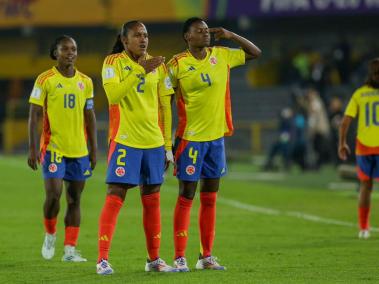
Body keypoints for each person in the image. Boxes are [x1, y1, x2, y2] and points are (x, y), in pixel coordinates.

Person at [167, 17, 261, 271]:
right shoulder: (176, 64)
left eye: (207, 31)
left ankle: (205, 256)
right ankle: (179, 257)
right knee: (186, 196)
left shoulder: (222, 55)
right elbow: (163, 99)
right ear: (187, 36)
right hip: (190, 140)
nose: (205, 34)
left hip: (216, 140)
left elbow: (255, 52)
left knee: (210, 198)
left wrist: (231, 35)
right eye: (199, 31)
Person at [96, 21, 177, 275]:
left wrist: (166, 146)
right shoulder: (112, 63)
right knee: (115, 195)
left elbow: (165, 107)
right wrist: (140, 71)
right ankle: (102, 260)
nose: (143, 39)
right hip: (125, 140)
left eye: (146, 35)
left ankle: (154, 260)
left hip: (153, 143)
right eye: (137, 35)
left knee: (152, 200)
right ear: (124, 39)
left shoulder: (159, 65)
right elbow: (114, 96)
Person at [27, 35, 97, 262]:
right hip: (53, 147)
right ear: (55, 53)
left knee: (75, 199)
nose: (70, 52)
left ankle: (70, 249)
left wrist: (94, 150)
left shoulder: (85, 81)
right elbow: (34, 115)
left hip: (79, 150)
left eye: (74, 49)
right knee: (54, 195)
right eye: (65, 49)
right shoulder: (45, 79)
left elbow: (90, 116)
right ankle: (50, 234)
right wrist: (32, 148)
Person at [339, 58, 379, 240]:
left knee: (365, 187)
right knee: (365, 187)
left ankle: (364, 228)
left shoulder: (360, 94)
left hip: (363, 146)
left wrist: (342, 143)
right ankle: (363, 227)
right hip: (367, 147)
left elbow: (345, 121)